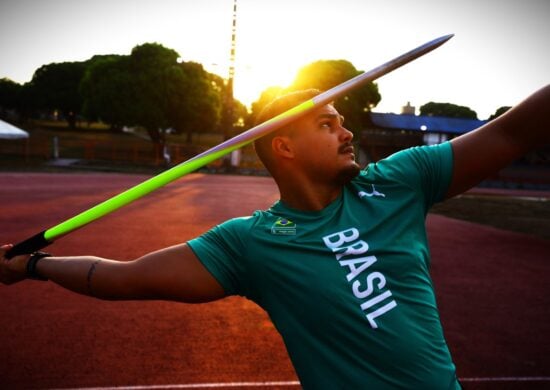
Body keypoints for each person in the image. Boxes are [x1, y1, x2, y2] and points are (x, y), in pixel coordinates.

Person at [1, 85, 549, 389]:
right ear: (283, 148)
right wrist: (28, 266)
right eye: (327, 124)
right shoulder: (248, 244)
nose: (348, 131)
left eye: (341, 120)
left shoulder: (399, 182)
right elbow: (117, 278)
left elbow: (514, 129)